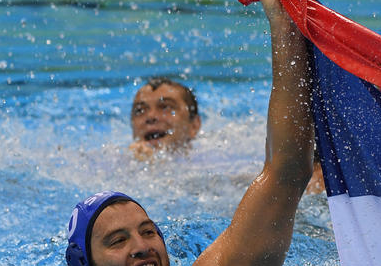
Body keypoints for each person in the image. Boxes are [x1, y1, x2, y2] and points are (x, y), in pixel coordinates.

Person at [66, 0, 314, 266]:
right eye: (118, 240)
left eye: (149, 231)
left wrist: (285, 27)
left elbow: (288, 170)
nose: (142, 246)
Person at [127, 75, 325, 193]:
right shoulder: (112, 165)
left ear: (194, 125)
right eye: (140, 110)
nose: (150, 117)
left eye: (166, 108)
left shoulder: (218, 159)